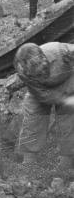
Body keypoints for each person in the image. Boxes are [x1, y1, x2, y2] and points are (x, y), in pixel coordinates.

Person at [15, 42, 74, 172]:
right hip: (41, 91)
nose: (41, 74)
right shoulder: (23, 72)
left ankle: (66, 164)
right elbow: (43, 96)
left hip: (68, 83)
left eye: (42, 70)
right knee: (33, 119)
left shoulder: (62, 51)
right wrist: (65, 100)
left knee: (68, 122)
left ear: (44, 58)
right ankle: (29, 163)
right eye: (36, 74)